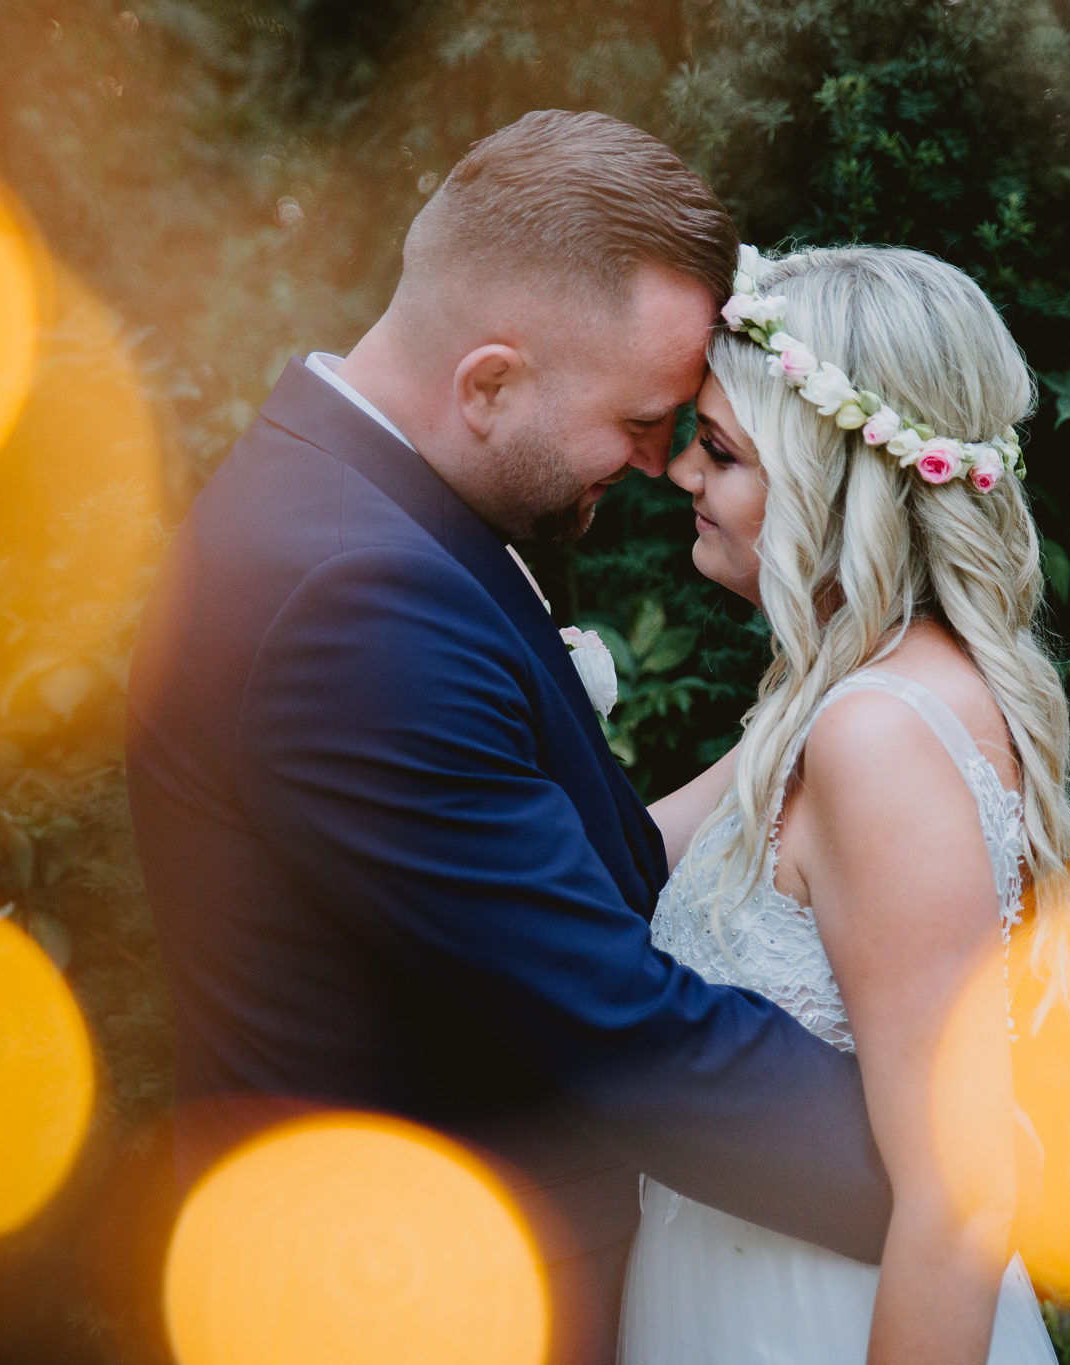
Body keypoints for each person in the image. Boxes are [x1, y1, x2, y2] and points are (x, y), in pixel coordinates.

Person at [124, 112, 892, 1365]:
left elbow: (577, 866)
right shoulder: (353, 601)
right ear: (487, 384)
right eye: (639, 422)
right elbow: (610, 1029)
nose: (657, 465)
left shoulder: (363, 511)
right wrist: (938, 1167)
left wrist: (815, 714)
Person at [619, 245, 1070, 1365]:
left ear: (834, 478)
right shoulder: (828, 699)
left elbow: (961, 1191)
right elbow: (614, 861)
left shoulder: (876, 736)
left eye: (721, 451)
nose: (682, 474)